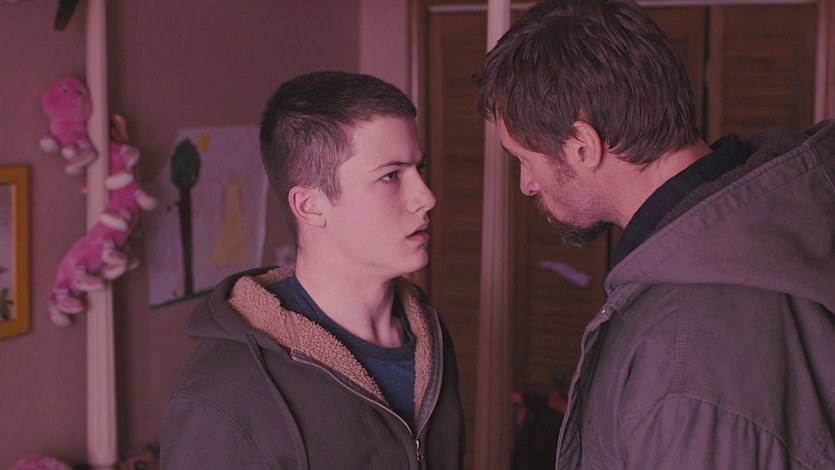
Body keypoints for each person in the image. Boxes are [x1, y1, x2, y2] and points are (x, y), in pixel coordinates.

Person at [474, 0, 835, 468]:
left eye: (525, 159)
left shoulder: (684, 371)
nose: (526, 185)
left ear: (583, 146)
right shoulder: (759, 222)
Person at [160, 71, 465, 469]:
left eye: (418, 169)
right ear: (310, 206)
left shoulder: (431, 339)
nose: (426, 197)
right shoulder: (223, 397)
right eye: (391, 176)